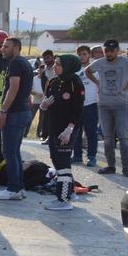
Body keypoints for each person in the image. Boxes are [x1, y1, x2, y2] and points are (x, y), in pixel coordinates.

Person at [85, 38, 128, 177]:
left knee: (123, 136)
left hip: (121, 105)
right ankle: (110, 166)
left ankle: (126, 168)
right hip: (104, 105)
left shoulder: (125, 62)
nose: (108, 53)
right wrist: (96, 82)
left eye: (111, 51)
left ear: (117, 51)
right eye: (106, 51)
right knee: (107, 137)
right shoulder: (100, 62)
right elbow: (87, 70)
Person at [39, 54, 85, 211]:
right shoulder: (53, 81)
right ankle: (70, 192)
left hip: (67, 130)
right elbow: (47, 102)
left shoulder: (75, 83)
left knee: (63, 164)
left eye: (58, 64)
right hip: (53, 128)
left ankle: (63, 200)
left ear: (68, 66)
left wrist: (70, 129)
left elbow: (78, 110)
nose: (54, 66)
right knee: (56, 160)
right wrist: (43, 106)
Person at [0, 37, 34, 200]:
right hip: (21, 112)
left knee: (9, 151)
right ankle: (19, 187)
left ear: (16, 47)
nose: (2, 49)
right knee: (14, 152)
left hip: (15, 113)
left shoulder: (16, 63)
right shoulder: (24, 63)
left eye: (6, 46)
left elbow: (13, 87)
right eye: (2, 46)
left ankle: (13, 188)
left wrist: (3, 111)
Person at [71, 45, 101, 167]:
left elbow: (100, 86)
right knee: (76, 132)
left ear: (89, 55)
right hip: (76, 106)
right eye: (79, 54)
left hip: (91, 104)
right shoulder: (73, 70)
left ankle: (91, 157)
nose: (82, 57)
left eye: (84, 54)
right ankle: (77, 156)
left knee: (91, 132)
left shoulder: (95, 69)